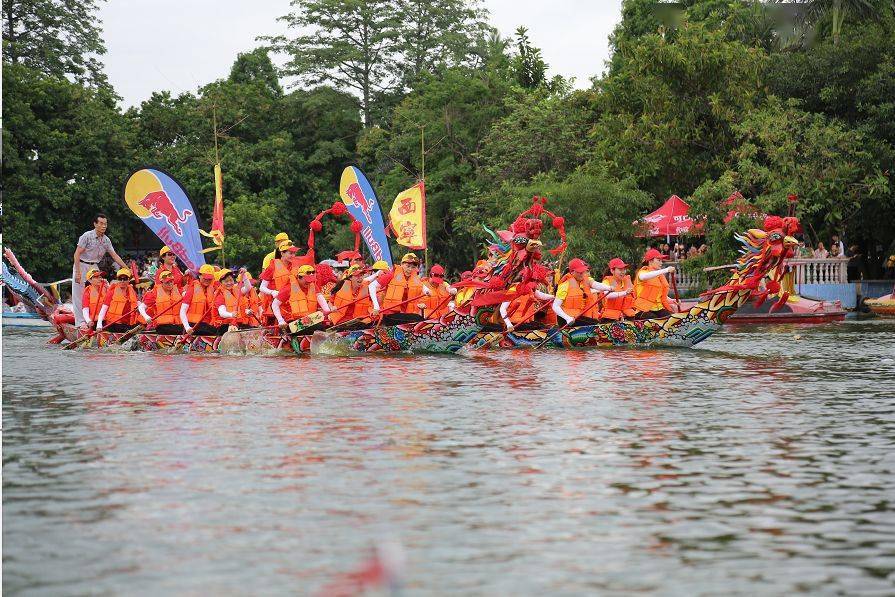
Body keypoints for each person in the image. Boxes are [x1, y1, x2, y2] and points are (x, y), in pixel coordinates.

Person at [72, 213, 129, 326]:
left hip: (94, 266)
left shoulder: (106, 240)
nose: (104, 226)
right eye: (101, 223)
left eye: (105, 224)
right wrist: (78, 272)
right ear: (95, 224)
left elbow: (114, 255)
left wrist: (126, 268)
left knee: (99, 292)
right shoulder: (87, 236)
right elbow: (77, 254)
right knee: (79, 294)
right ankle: (80, 322)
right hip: (82, 264)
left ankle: (97, 319)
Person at [368, 253, 431, 325]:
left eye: (413, 267)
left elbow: (422, 286)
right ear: (402, 264)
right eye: (408, 266)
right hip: (389, 314)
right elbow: (371, 286)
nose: (410, 269)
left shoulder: (413, 277)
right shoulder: (391, 275)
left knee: (419, 319)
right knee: (418, 319)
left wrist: (427, 291)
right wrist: (376, 306)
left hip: (403, 313)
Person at [551, 258, 613, 326]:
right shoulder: (565, 285)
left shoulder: (586, 279)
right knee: (595, 326)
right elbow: (555, 306)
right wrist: (567, 318)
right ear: (572, 272)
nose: (582, 274)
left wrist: (609, 288)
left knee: (596, 324)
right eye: (579, 272)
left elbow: (596, 284)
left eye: (583, 271)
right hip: (565, 319)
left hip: (578, 316)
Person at [633, 248, 676, 319]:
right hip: (644, 309)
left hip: (658, 308)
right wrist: (666, 270)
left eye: (661, 261)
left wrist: (672, 301)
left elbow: (659, 294)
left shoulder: (658, 276)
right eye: (659, 260)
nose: (661, 263)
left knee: (671, 319)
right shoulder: (643, 272)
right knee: (654, 320)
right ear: (650, 261)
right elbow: (644, 277)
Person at [138, 270, 183, 334]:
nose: (170, 284)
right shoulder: (154, 293)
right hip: (163, 326)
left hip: (178, 325)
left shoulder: (178, 290)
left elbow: (186, 295)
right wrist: (146, 317)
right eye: (167, 282)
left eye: (171, 281)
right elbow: (141, 307)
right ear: (161, 283)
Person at [179, 264, 220, 336]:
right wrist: (187, 327)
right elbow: (182, 311)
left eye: (209, 279)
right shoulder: (192, 288)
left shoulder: (214, 288)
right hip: (193, 325)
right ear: (199, 276)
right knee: (214, 331)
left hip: (207, 324)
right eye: (205, 278)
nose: (207, 280)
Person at [96, 267, 138, 333]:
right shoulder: (112, 292)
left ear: (129, 280)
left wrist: (146, 317)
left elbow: (139, 305)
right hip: (113, 323)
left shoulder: (132, 291)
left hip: (128, 323)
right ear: (117, 280)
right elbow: (104, 309)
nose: (122, 281)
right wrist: (99, 325)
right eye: (120, 279)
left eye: (125, 279)